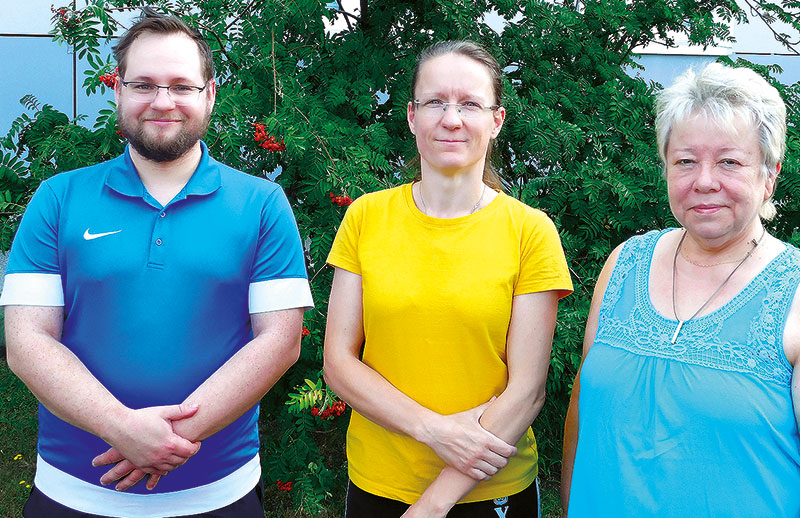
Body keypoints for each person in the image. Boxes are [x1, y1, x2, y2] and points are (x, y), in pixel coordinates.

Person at [1, 9, 312, 518]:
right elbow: (26, 341)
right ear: (117, 91)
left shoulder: (262, 203)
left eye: (181, 86)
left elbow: (279, 342)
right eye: (143, 84)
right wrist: (119, 427)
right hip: (71, 494)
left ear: (209, 94)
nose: (162, 101)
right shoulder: (57, 198)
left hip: (220, 495)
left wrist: (166, 441)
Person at [323, 40, 573, 518]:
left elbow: (527, 390)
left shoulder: (530, 231)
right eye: (435, 102)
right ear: (413, 115)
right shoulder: (365, 218)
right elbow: (338, 361)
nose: (451, 119)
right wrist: (433, 430)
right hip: (379, 484)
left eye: (470, 104)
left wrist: (436, 502)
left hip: (490, 490)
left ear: (496, 121)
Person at [561, 62, 800, 517]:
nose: (704, 180)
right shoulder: (625, 262)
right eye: (686, 161)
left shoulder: (796, 294)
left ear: (770, 172)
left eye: (729, 161)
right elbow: (582, 411)